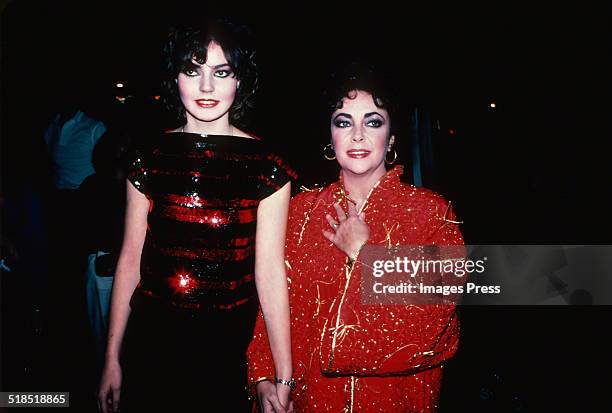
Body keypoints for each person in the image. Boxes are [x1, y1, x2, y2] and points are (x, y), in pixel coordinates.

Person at [97, 18, 294, 413]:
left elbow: (270, 273)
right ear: (175, 78)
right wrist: (110, 359)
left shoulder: (266, 166)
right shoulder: (149, 159)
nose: (207, 87)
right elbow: (131, 258)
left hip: (225, 350)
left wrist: (283, 375)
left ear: (241, 80)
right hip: (150, 343)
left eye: (221, 72)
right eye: (193, 70)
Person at [247, 63, 464, 412]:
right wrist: (263, 378)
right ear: (330, 137)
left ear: (391, 137)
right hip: (309, 400)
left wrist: (365, 254)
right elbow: (271, 307)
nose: (358, 135)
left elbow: (434, 328)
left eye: (373, 122)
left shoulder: (430, 214)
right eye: (344, 122)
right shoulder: (299, 212)